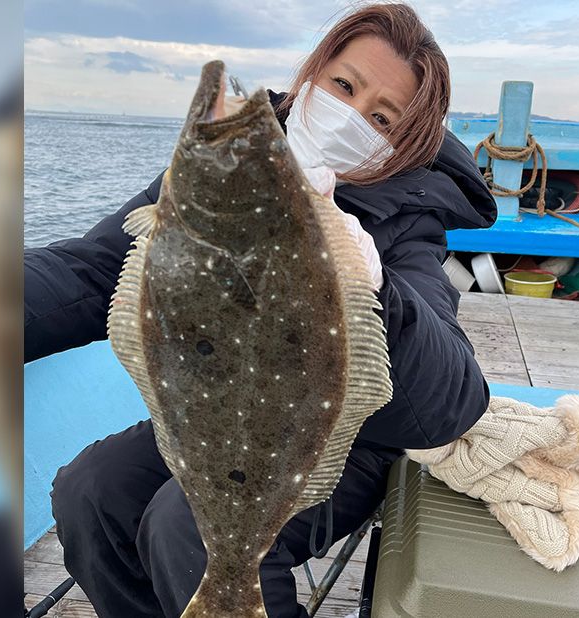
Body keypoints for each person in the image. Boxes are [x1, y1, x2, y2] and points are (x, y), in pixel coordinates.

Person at [26, 4, 497, 616]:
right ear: (312, 72)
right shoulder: (228, 162)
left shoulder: (409, 222)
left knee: (187, 527)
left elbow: (452, 404)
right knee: (90, 491)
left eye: (381, 118)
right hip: (212, 411)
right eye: (343, 85)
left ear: (401, 143)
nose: (350, 116)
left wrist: (375, 288)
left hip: (330, 435)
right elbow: (95, 269)